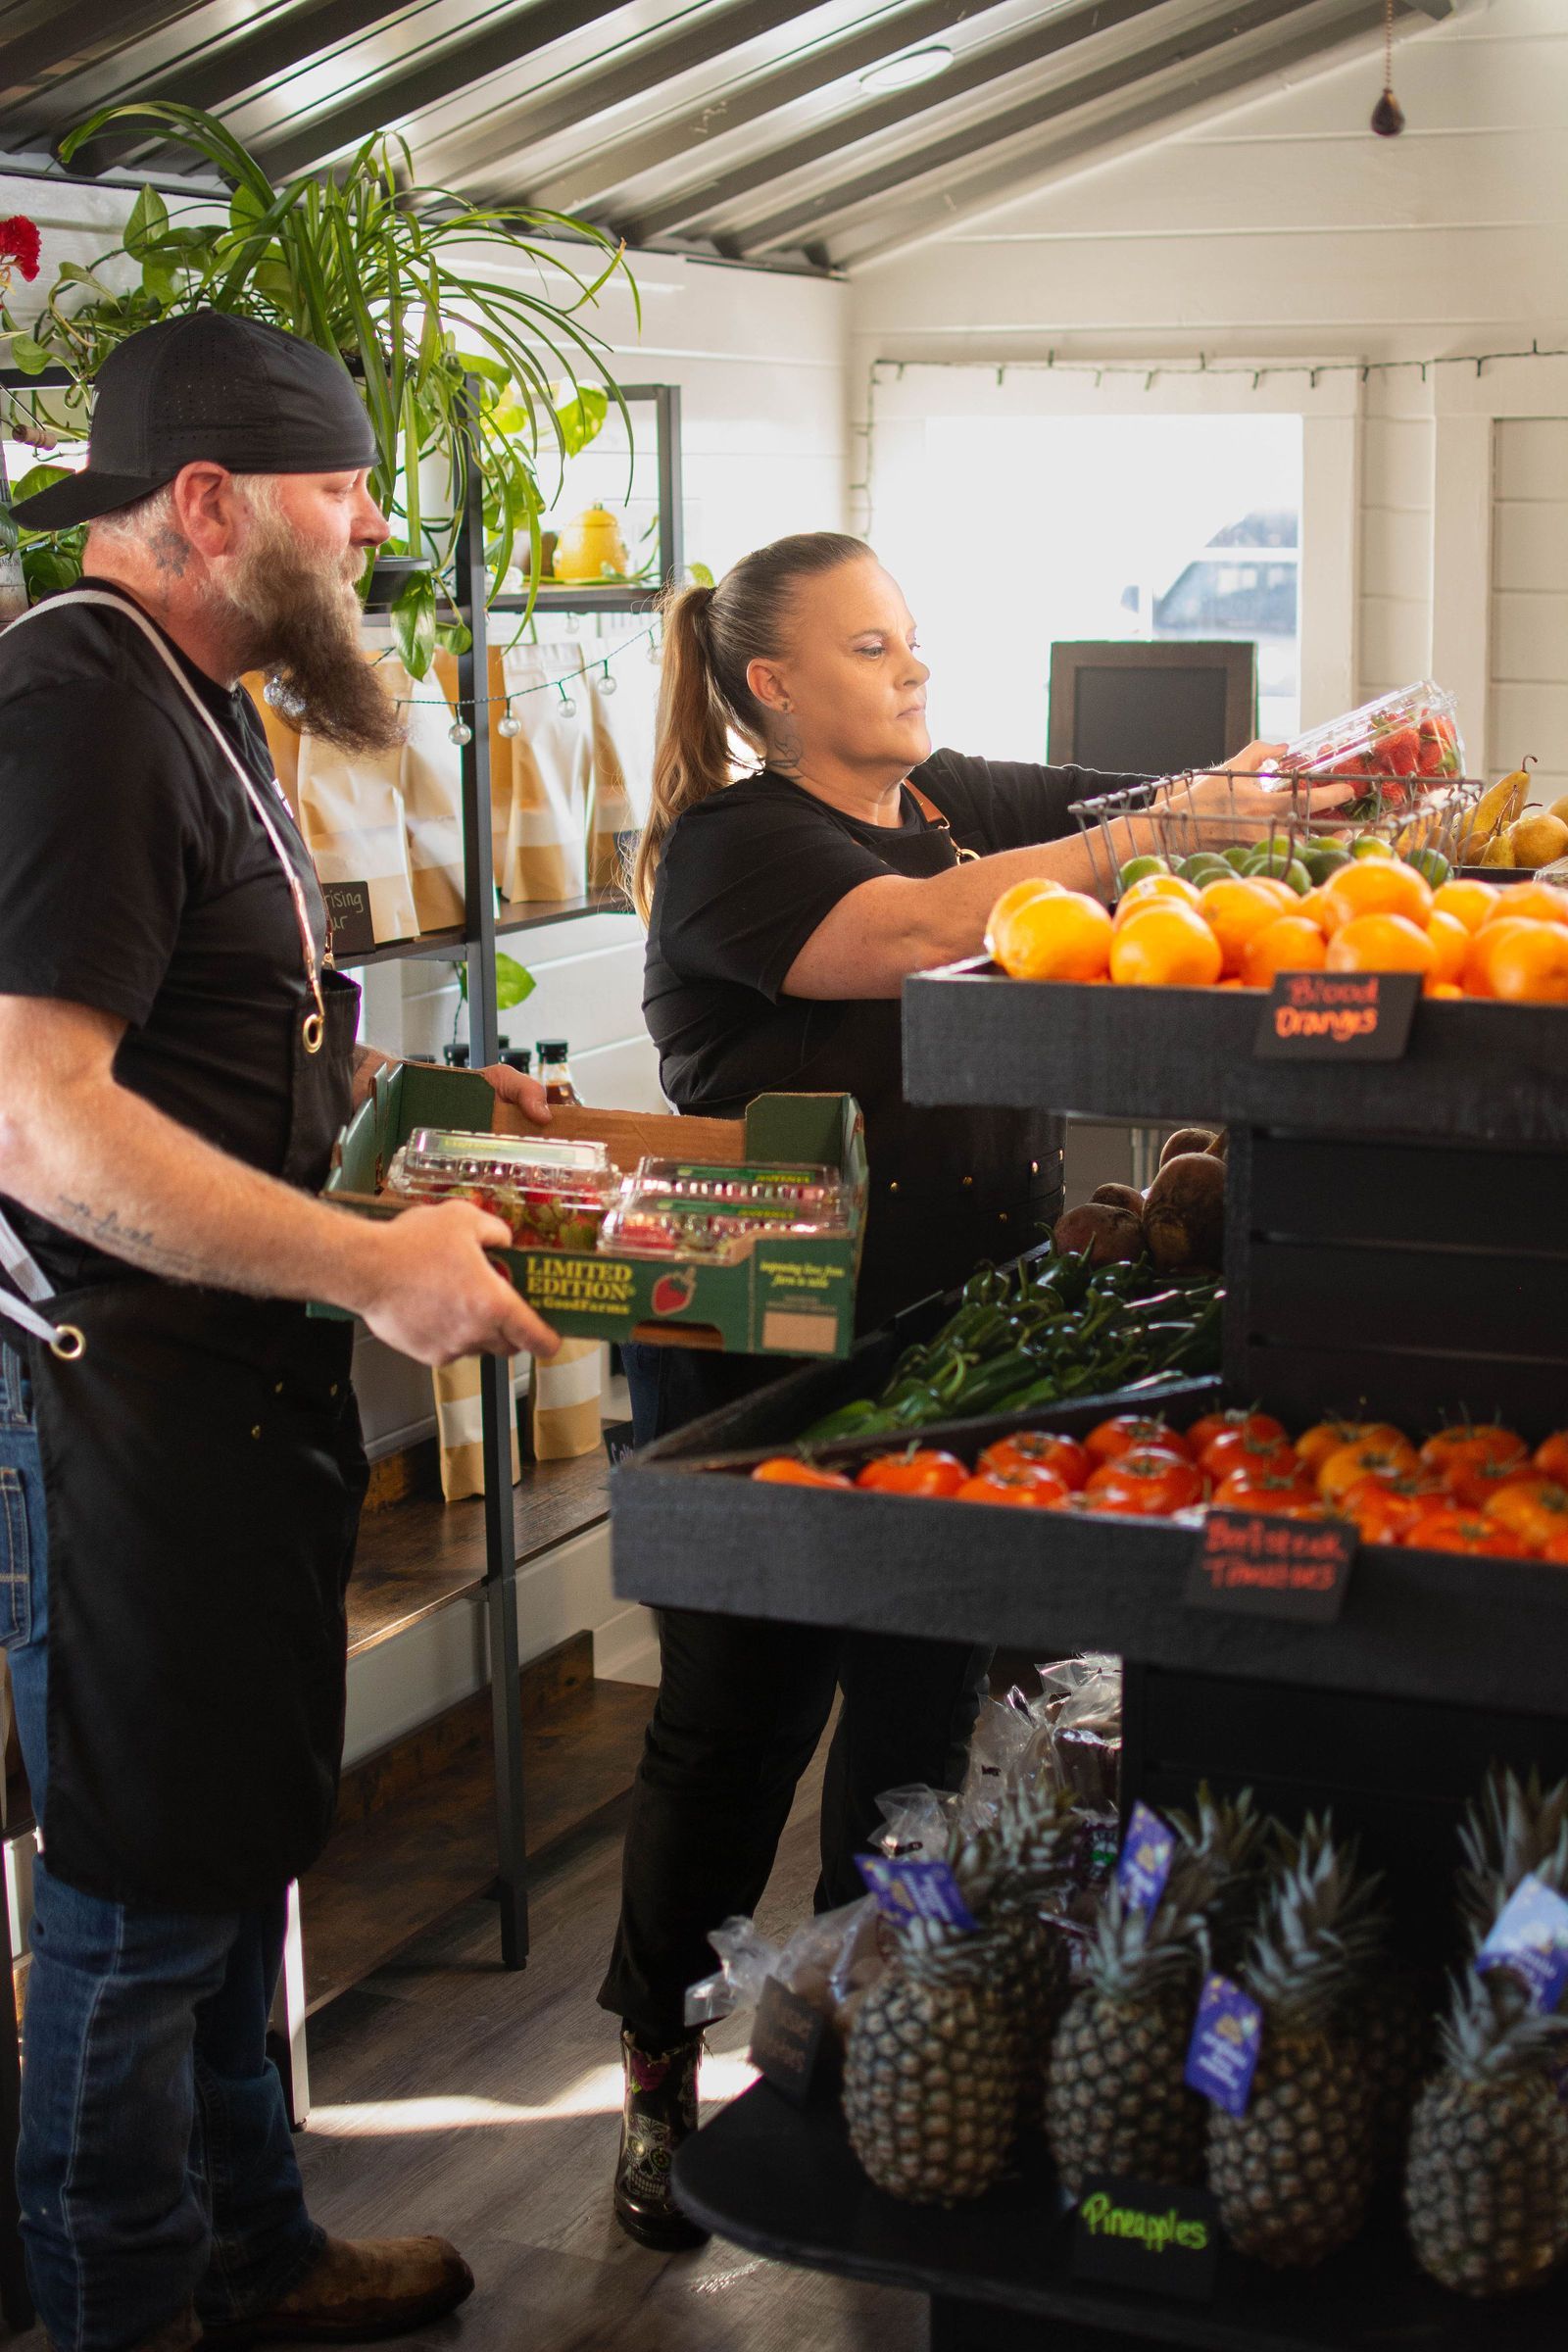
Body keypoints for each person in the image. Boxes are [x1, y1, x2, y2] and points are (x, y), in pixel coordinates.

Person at [601, 530, 1286, 2248]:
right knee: (734, 1723)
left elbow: (1159, 799)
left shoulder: (950, 795)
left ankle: (847, 2025)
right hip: (769, 1368)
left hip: (951, 1356)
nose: (914, 672)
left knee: (913, 1725)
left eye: (914, 642)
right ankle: (655, 2077)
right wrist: (1144, 841)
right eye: (871, 649)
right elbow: (912, 938)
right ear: (773, 686)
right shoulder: (739, 845)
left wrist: (1285, 782)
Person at [0, 312, 560, 2351]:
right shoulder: (72, 703)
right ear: (214, 503)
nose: (372, 524)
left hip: (230, 1391)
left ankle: (255, 2244)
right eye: (340, 489)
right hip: (117, 1402)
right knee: (142, 1894)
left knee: (236, 1850)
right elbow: (37, 1119)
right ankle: (113, 2307)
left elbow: (225, 1057)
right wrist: (363, 1265)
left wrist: (400, 1179)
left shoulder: (192, 688)